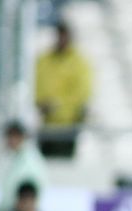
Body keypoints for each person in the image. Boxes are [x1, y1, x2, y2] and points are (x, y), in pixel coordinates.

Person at [35, 21, 92, 157]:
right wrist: (42, 103)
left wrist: (60, 107)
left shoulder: (79, 62)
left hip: (68, 125)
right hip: (47, 124)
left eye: (64, 36)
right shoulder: (44, 60)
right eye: (60, 35)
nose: (62, 39)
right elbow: (37, 85)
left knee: (64, 163)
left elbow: (82, 92)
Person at [0, 120, 47, 211]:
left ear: (23, 137)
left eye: (15, 136)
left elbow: (28, 191)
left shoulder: (29, 159)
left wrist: (24, 210)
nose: (11, 140)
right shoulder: (14, 158)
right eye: (9, 136)